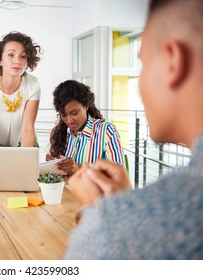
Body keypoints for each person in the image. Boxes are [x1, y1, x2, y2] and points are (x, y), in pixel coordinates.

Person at [64, 0, 203, 259]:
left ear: (173, 61)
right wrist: (124, 204)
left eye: (143, 64)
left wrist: (107, 218)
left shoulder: (120, 226)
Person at [47, 80, 125, 176]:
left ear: (86, 105)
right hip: (64, 190)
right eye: (63, 115)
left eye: (74, 113)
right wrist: (52, 165)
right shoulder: (58, 133)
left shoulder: (106, 131)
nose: (69, 120)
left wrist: (79, 168)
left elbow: (119, 176)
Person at [0, 31, 42, 147]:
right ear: (0, 60)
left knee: (27, 163)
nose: (17, 61)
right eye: (11, 55)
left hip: (22, 140)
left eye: (23, 56)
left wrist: (24, 162)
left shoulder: (32, 84)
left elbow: (28, 128)